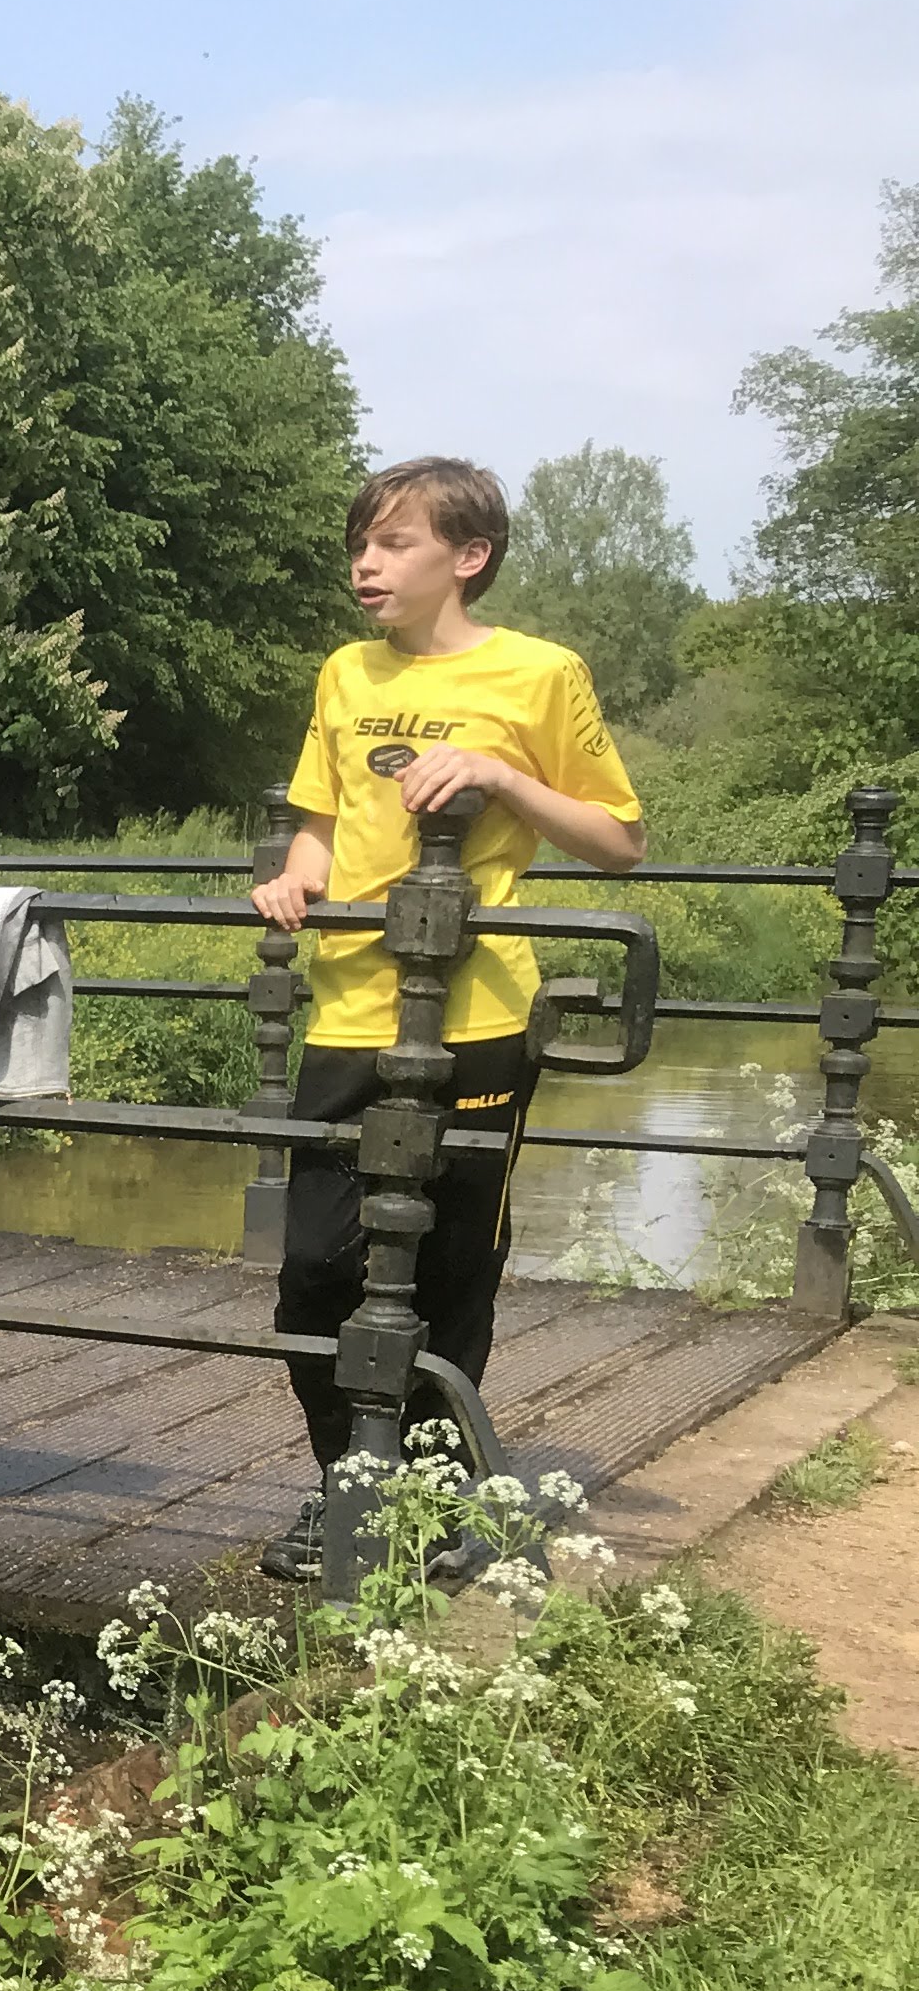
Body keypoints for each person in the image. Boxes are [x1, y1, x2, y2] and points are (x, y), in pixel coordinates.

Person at [251, 456, 646, 1581]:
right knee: (314, 1272)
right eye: (359, 545)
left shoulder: (541, 672)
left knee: (450, 1268)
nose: (365, 565)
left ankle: (424, 1504)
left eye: (393, 543)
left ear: (468, 557)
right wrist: (295, 877)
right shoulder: (345, 671)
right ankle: (347, 1479)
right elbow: (324, 822)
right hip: (349, 1013)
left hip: (476, 1015)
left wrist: (501, 776)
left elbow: (620, 840)